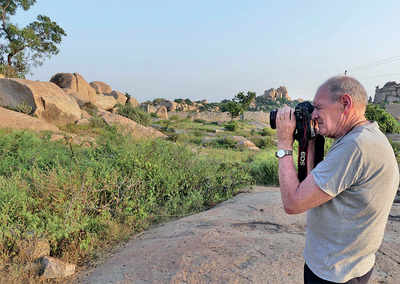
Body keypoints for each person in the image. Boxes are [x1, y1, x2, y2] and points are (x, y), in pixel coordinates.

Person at [275, 76, 399, 284]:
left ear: (345, 103)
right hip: (351, 265)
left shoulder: (356, 147)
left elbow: (293, 203)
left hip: (335, 272)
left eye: (318, 108)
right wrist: (310, 140)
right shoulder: (365, 136)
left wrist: (284, 144)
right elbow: (313, 184)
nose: (314, 114)